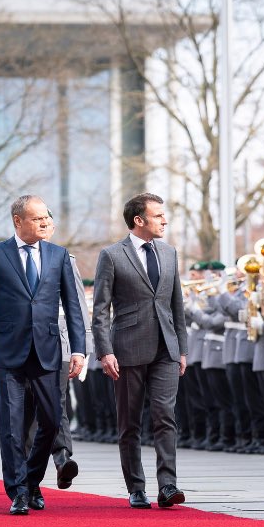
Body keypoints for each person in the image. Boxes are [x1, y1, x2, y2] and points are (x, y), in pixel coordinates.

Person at [0, 195, 86, 515]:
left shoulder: (58, 255)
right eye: (37, 219)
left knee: (51, 422)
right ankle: (18, 491)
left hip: (48, 351)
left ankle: (33, 480)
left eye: (46, 217)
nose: (45, 222)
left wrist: (78, 349)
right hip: (7, 353)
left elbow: (74, 306)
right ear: (18, 222)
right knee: (11, 425)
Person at [92, 191, 189, 509]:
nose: (165, 219)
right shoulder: (112, 255)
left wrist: (182, 349)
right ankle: (136, 487)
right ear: (139, 220)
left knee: (165, 415)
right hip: (127, 349)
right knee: (129, 421)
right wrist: (105, 351)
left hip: (166, 348)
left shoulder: (170, 253)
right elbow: (100, 310)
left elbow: (177, 305)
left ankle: (168, 485)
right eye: (159, 215)